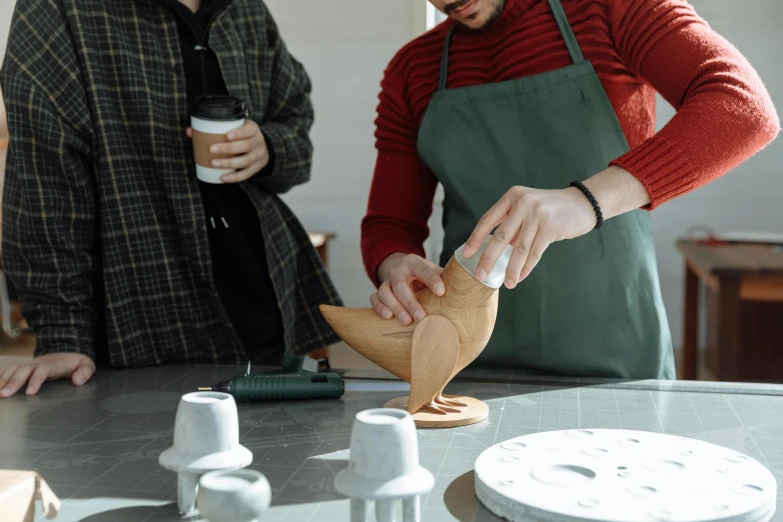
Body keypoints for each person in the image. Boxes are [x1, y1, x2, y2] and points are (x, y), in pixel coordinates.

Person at [362, 0, 779, 380]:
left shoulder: (611, 10)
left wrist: (585, 201)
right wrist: (393, 264)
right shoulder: (412, 70)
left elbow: (742, 108)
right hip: (464, 362)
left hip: (616, 357)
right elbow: (390, 224)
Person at [0, 0, 342, 398]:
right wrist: (63, 335)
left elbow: (297, 132)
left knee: (274, 456)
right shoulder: (60, 10)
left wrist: (268, 147)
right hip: (140, 321)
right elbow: (45, 185)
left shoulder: (245, 9)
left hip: (266, 305)